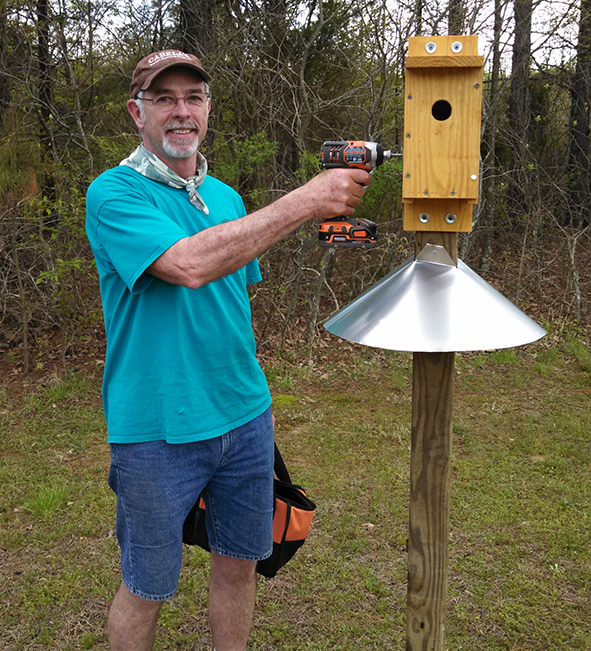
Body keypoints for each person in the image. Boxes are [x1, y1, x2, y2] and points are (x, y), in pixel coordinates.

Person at [86, 49, 370, 651]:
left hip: (245, 419)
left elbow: (234, 300)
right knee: (147, 586)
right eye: (164, 99)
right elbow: (188, 265)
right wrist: (309, 199)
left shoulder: (226, 197)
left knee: (239, 562)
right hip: (156, 429)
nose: (181, 112)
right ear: (137, 113)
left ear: (209, 110)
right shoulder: (113, 194)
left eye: (194, 98)